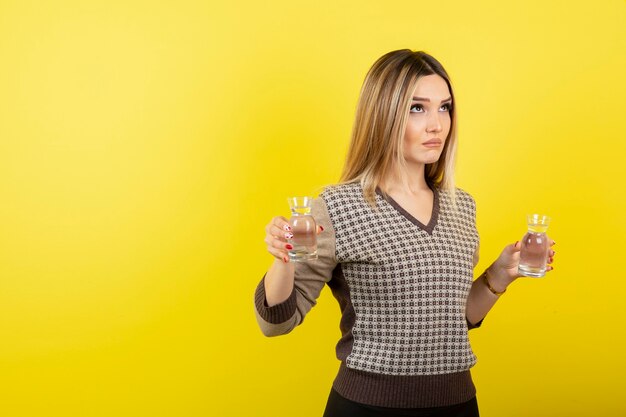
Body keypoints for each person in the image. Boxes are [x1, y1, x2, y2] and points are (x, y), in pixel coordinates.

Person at [253, 49, 555, 417]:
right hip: (368, 407)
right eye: (417, 108)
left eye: (444, 107)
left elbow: (450, 321)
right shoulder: (337, 206)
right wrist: (282, 258)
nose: (436, 125)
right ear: (384, 115)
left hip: (458, 404)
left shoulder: (462, 206)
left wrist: (500, 274)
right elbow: (277, 322)